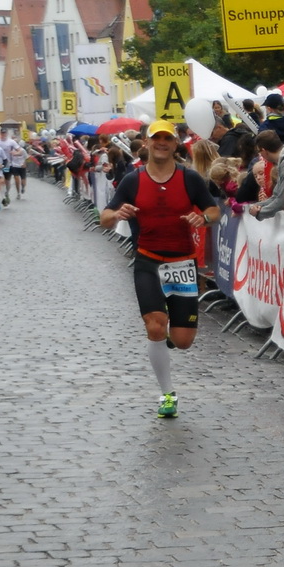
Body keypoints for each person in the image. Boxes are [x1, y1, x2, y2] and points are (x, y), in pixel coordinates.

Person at [98, 119, 221, 419]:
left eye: (167, 138)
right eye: (156, 139)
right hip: (148, 260)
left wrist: (202, 219)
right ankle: (167, 394)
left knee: (183, 341)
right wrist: (117, 214)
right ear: (147, 143)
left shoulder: (190, 178)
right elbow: (105, 217)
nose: (162, 143)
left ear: (175, 143)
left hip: (182, 263)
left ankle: (170, 334)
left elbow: (214, 209)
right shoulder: (133, 180)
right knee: (154, 325)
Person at [2, 131, 28, 200]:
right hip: (13, 166)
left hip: (22, 166)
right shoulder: (10, 150)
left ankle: (23, 187)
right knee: (15, 179)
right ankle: (17, 193)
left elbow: (26, 157)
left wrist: (24, 163)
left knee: (23, 180)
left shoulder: (22, 150)